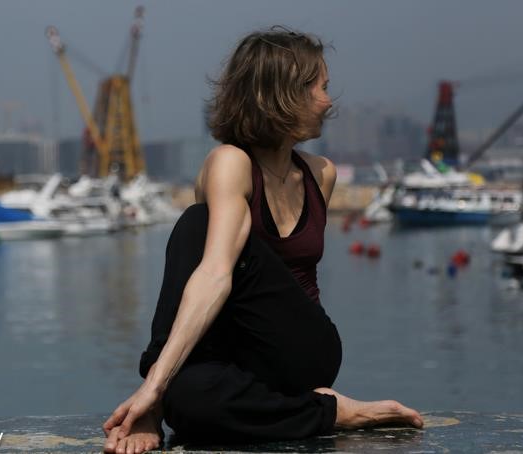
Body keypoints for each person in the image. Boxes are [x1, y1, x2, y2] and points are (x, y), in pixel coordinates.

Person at [103, 27, 424, 454]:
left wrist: (149, 389)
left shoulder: (320, 173)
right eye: (320, 88)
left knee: (197, 223)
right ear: (282, 94)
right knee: (190, 401)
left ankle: (155, 400)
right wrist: (162, 387)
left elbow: (257, 279)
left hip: (302, 349)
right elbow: (214, 274)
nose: (329, 101)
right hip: (234, 355)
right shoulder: (229, 163)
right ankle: (328, 413)